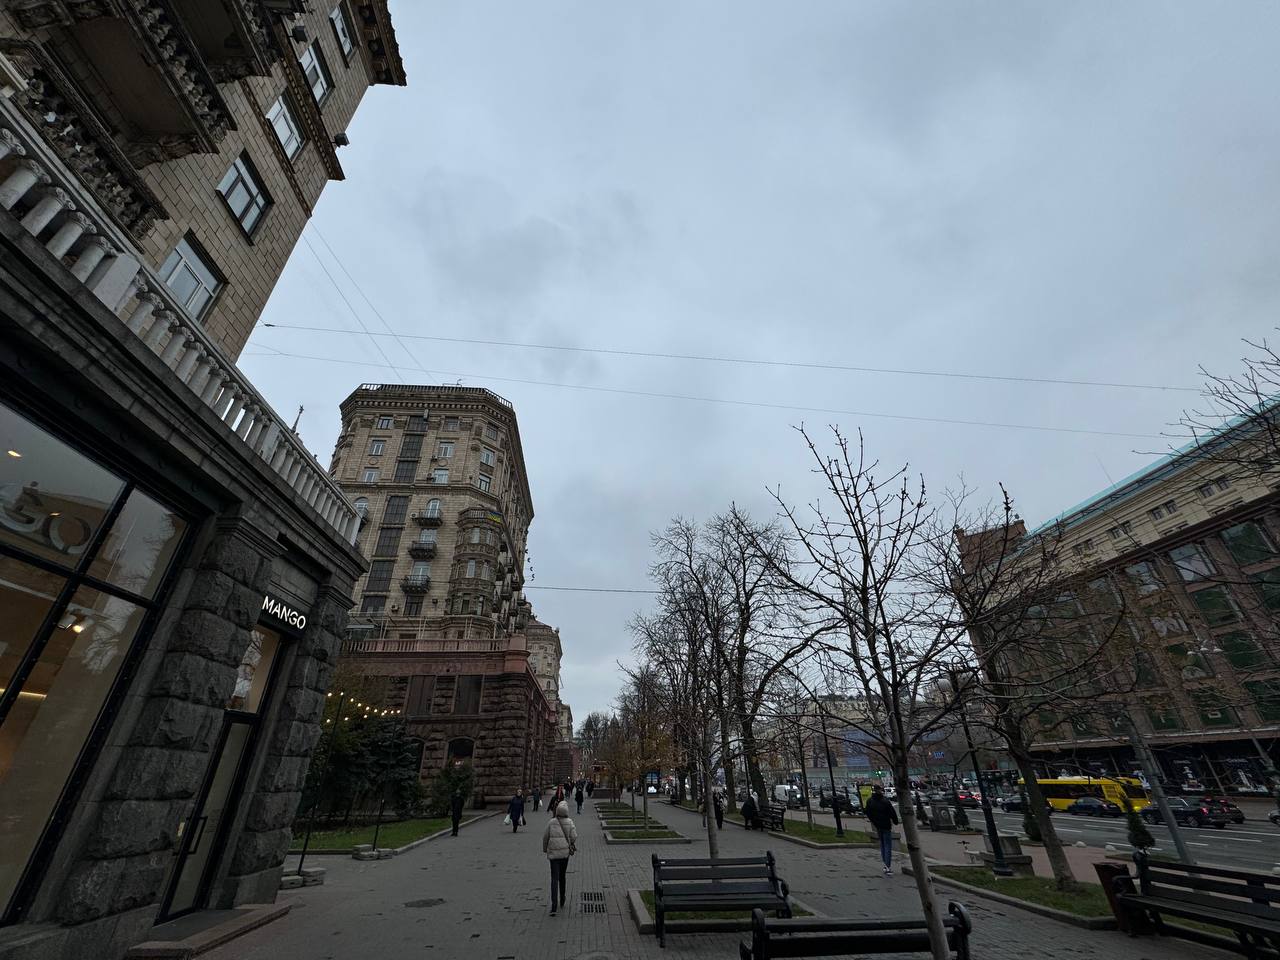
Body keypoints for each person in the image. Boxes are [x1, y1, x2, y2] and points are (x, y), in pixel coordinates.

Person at [542, 800, 578, 915]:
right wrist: (570, 842)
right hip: (564, 854)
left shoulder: (551, 822)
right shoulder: (570, 822)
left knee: (554, 878)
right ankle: (562, 898)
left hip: (553, 855)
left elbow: (545, 837)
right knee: (562, 876)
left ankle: (554, 906)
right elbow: (574, 836)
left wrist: (545, 849)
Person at [865, 785, 899, 876]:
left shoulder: (870, 801)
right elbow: (892, 812)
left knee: (883, 845)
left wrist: (874, 821)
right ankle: (887, 866)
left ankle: (885, 864)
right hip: (886, 825)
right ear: (880, 790)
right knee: (887, 845)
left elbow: (868, 812)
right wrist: (895, 821)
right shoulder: (885, 801)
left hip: (878, 826)